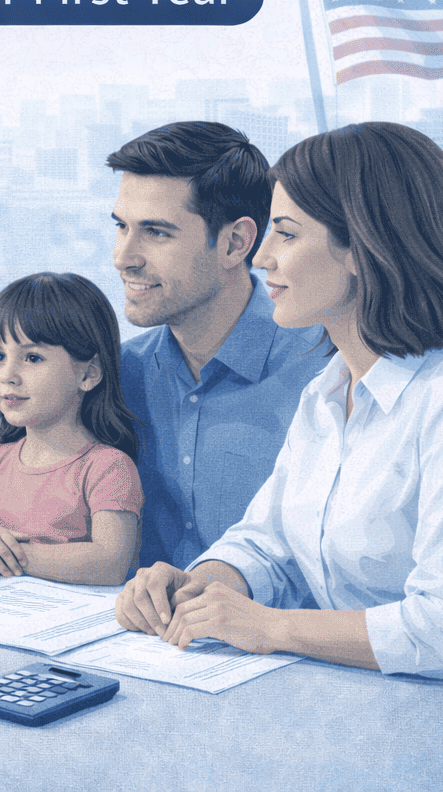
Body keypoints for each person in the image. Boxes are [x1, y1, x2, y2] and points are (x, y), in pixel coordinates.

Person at [115, 122, 443, 716]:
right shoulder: (328, 392)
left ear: (362, 248)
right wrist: (208, 584)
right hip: (389, 710)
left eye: (285, 234)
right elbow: (270, 541)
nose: (261, 258)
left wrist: (269, 627)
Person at [108, 121, 326, 571]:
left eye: (156, 232)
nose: (124, 257)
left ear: (235, 243)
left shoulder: (325, 374)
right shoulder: (118, 375)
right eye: (122, 227)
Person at [0, 272, 143, 586]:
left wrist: (8, 554)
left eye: (32, 358)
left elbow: (111, 562)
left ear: (88, 374)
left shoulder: (108, 468)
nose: (8, 375)